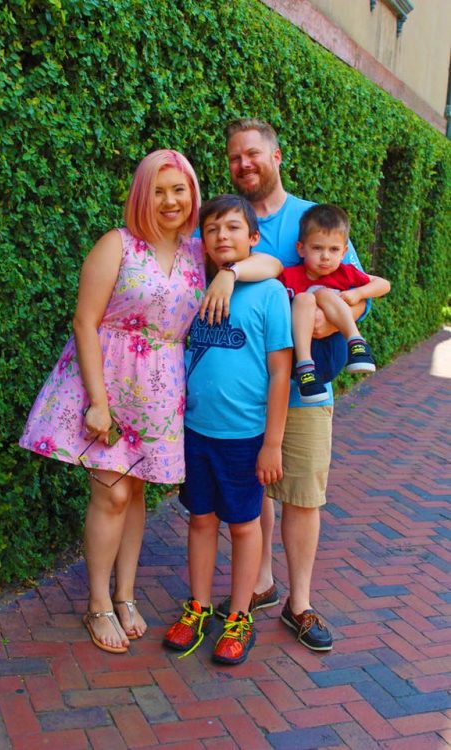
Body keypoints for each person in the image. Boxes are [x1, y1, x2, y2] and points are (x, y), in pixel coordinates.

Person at [19, 149, 281, 655]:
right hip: (108, 383)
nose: (170, 200)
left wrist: (229, 274)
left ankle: (125, 594)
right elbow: (84, 323)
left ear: (192, 196)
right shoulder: (117, 244)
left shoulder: (196, 251)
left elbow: (267, 260)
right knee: (112, 494)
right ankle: (99, 603)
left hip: (161, 391)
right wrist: (97, 402)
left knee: (136, 493)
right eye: (158, 190)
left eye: (179, 190)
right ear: (142, 195)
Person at [212, 118, 372, 651]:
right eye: (235, 158)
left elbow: (358, 293)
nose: (244, 165)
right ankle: (258, 584)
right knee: (255, 487)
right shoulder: (224, 220)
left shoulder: (312, 219)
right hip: (243, 387)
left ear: (276, 157)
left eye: (253, 154)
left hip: (304, 388)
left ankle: (298, 603)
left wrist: (324, 321)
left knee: (301, 493)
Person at [163, 194, 293, 665]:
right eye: (213, 229)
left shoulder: (269, 293)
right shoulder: (194, 284)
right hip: (197, 431)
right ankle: (198, 606)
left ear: (253, 238)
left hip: (245, 437)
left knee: (243, 525)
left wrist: (272, 444)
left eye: (234, 228)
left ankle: (239, 615)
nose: (223, 236)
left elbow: (281, 372)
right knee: (200, 519)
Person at [281, 203, 390, 403]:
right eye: (317, 248)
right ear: (301, 249)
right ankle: (306, 370)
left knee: (323, 294)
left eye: (334, 249)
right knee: (305, 298)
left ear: (343, 252)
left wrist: (358, 293)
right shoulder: (289, 277)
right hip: (298, 359)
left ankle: (357, 343)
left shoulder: (345, 273)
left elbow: (384, 284)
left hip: (335, 348)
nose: (325, 256)